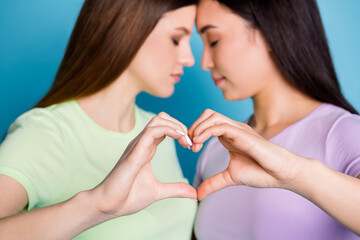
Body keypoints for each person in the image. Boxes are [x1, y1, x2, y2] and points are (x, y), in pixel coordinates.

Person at [0, 0, 198, 239]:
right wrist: (96, 205)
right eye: (176, 39)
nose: (189, 59)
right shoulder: (48, 133)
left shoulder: (160, 134)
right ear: (128, 28)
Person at [189, 0, 360, 239]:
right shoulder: (215, 149)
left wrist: (294, 175)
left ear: (269, 32)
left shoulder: (344, 132)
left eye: (214, 40)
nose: (205, 61)